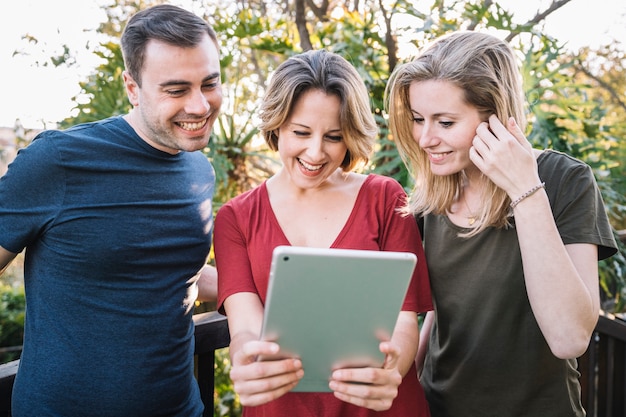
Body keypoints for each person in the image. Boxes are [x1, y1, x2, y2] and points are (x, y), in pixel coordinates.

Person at [0, 4, 221, 416]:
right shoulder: (58, 160)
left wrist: (264, 288)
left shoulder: (199, 168)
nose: (200, 106)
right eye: (176, 90)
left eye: (209, 83)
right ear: (132, 87)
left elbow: (175, 273)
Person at [385, 31, 619, 417]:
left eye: (445, 122)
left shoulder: (563, 180)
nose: (425, 138)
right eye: (417, 119)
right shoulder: (433, 195)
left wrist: (524, 188)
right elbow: (441, 315)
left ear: (495, 115)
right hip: (439, 407)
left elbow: (570, 337)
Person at [213, 49, 433, 416]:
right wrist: (247, 361)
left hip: (380, 406)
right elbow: (245, 329)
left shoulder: (385, 199)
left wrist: (391, 370)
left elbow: (403, 320)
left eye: (333, 136)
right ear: (276, 125)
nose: (315, 153)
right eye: (301, 132)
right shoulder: (237, 218)